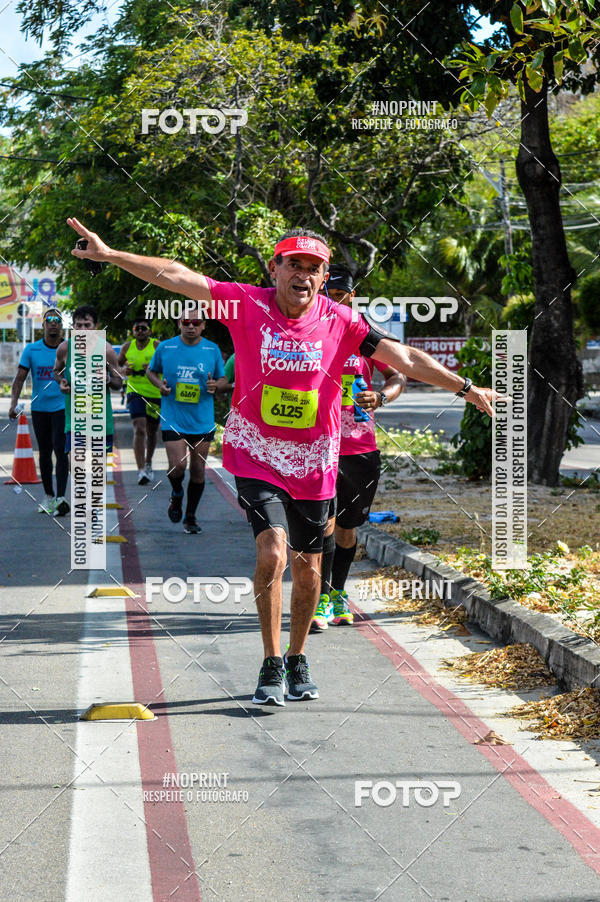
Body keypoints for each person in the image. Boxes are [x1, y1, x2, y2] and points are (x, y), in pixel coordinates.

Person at [67, 217, 497, 707]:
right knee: (271, 552)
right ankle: (271, 661)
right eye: (295, 264)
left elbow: (404, 359)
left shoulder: (343, 321)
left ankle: (297, 657)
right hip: (257, 452)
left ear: (323, 276)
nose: (305, 275)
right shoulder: (246, 303)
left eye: (315, 268)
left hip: (315, 459)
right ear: (275, 269)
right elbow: (176, 274)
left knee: (309, 567)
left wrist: (465, 389)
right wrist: (112, 255)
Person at [312, 264, 406, 632]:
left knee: (348, 530)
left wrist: (380, 396)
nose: (333, 300)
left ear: (352, 294)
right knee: (324, 525)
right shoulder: (310, 329)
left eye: (340, 295)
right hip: (320, 446)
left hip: (361, 448)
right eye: (328, 294)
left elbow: (398, 373)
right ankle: (319, 600)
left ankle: (337, 594)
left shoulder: (365, 334)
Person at [146, 306, 227, 534]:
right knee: (178, 465)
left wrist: (216, 385)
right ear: (179, 323)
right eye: (186, 322)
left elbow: (222, 379)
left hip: (202, 419)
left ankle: (190, 516)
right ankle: (176, 492)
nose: (191, 327)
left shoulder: (211, 349)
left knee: (198, 470)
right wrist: (159, 385)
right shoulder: (166, 347)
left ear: (203, 325)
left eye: (196, 323)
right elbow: (151, 372)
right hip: (173, 417)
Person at [9, 308, 69, 516]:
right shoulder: (31, 350)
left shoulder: (68, 349)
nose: (53, 323)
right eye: (49, 320)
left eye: (57, 320)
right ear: (43, 324)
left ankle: (61, 497)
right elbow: (19, 379)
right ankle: (49, 496)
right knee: (45, 451)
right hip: (40, 408)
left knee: (61, 450)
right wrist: (13, 403)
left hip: (62, 406)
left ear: (61, 324)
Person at [54, 305, 122, 466]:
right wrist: (61, 382)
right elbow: (56, 371)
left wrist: (108, 380)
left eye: (87, 325)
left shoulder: (106, 350)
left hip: (100, 421)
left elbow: (118, 383)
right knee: (77, 468)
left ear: (96, 326)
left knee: (96, 472)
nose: (82, 329)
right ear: (73, 327)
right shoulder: (65, 349)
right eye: (78, 325)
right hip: (75, 420)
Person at [117, 316, 161, 484]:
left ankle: (148, 462)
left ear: (149, 331)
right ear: (133, 331)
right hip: (135, 390)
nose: (141, 331)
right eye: (137, 328)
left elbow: (168, 365)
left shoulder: (157, 346)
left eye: (144, 328)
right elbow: (116, 367)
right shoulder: (127, 347)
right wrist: (123, 370)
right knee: (139, 428)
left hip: (155, 392)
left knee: (152, 430)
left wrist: (154, 368)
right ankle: (141, 470)